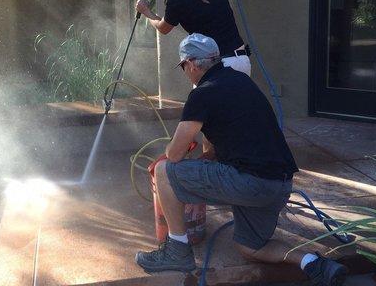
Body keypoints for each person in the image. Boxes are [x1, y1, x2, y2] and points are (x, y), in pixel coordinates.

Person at [135, 33, 348, 286]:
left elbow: (174, 155)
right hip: (279, 185)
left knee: (164, 171)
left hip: (250, 182)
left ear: (191, 63)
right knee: (250, 247)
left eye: (183, 66)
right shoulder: (242, 81)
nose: (185, 72)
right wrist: (199, 173)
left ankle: (177, 252)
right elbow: (229, 136)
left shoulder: (202, 94)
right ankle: (314, 263)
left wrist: (184, 174)